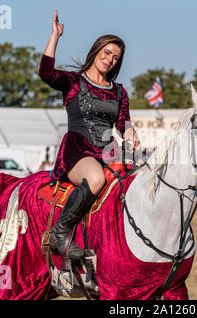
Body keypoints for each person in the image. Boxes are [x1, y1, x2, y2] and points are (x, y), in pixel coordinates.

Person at [39, 10, 141, 260]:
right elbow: (47, 74)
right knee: (95, 179)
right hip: (78, 151)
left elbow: (123, 122)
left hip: (108, 152)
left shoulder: (119, 91)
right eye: (106, 53)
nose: (110, 59)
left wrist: (130, 132)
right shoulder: (74, 82)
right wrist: (55, 37)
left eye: (116, 57)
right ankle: (59, 234)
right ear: (96, 52)